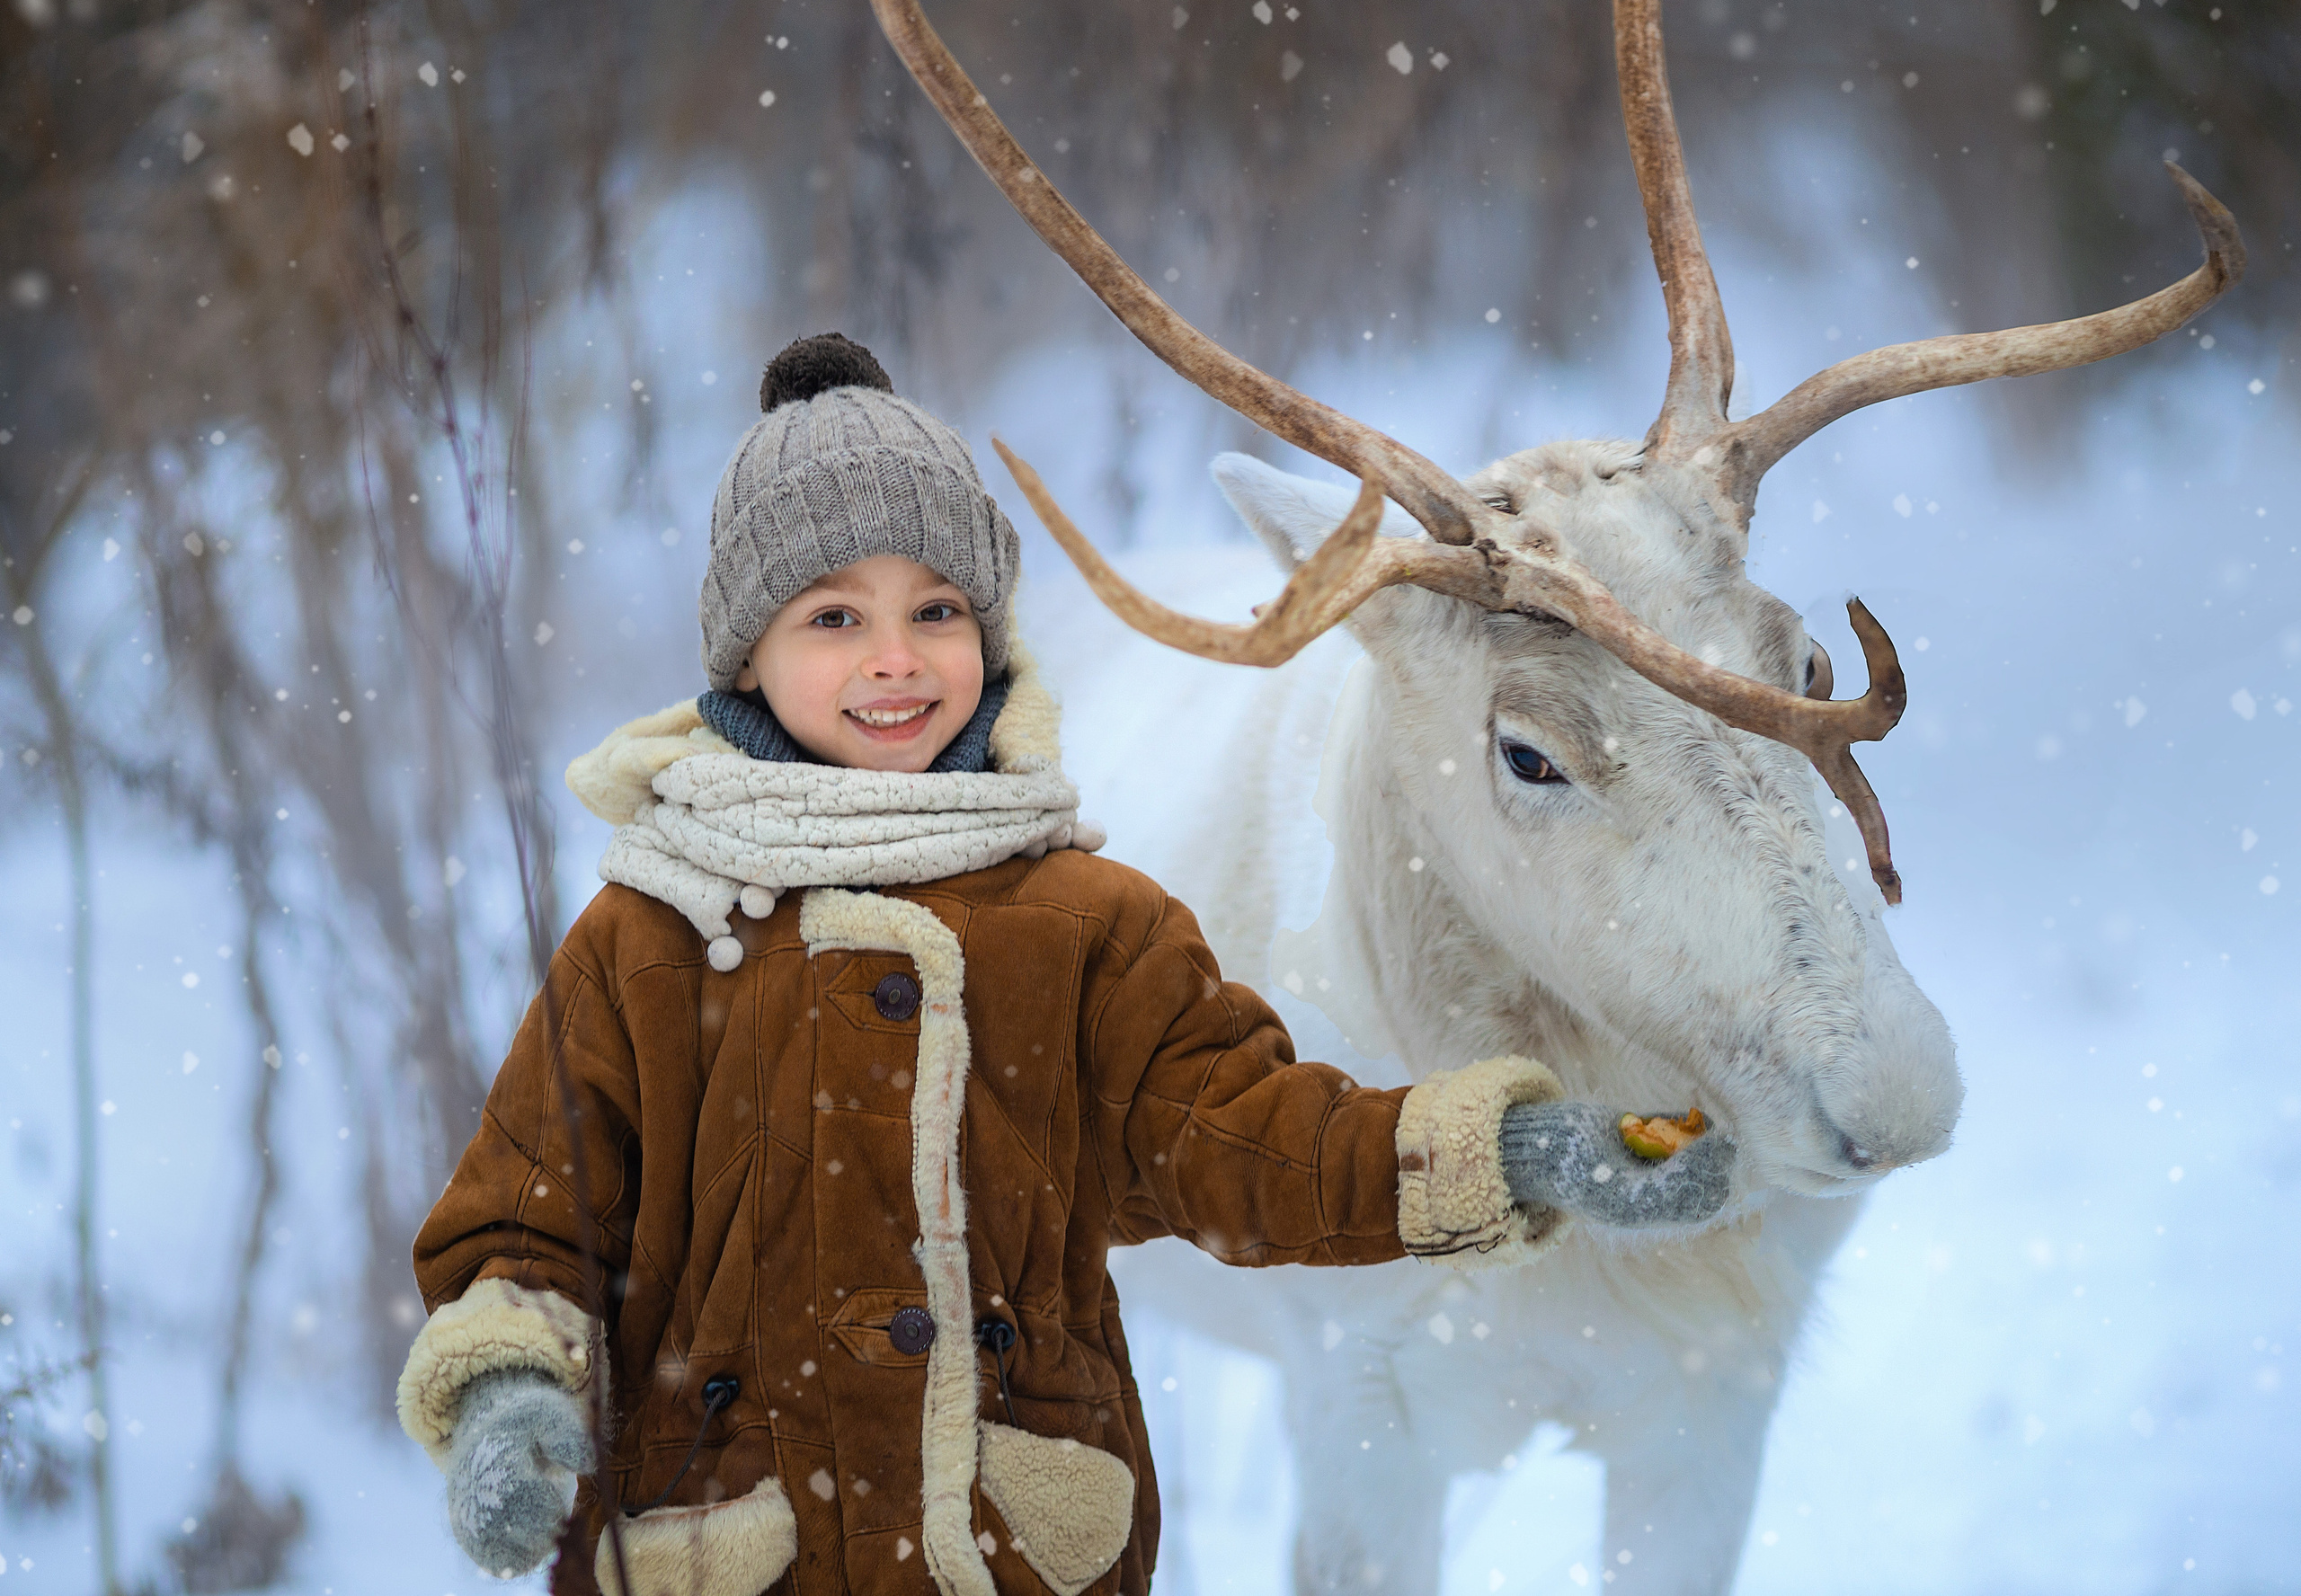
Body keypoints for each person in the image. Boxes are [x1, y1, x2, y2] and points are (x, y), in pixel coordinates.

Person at [394, 334, 1733, 1596]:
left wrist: (1508, 1154)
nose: (897, 660)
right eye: (832, 619)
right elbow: (530, 1210)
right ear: (748, 653)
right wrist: (510, 1385)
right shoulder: (655, 936)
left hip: (1015, 1551)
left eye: (936, 609)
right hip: (730, 1550)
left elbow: (1249, 1142)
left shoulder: (1084, 924)